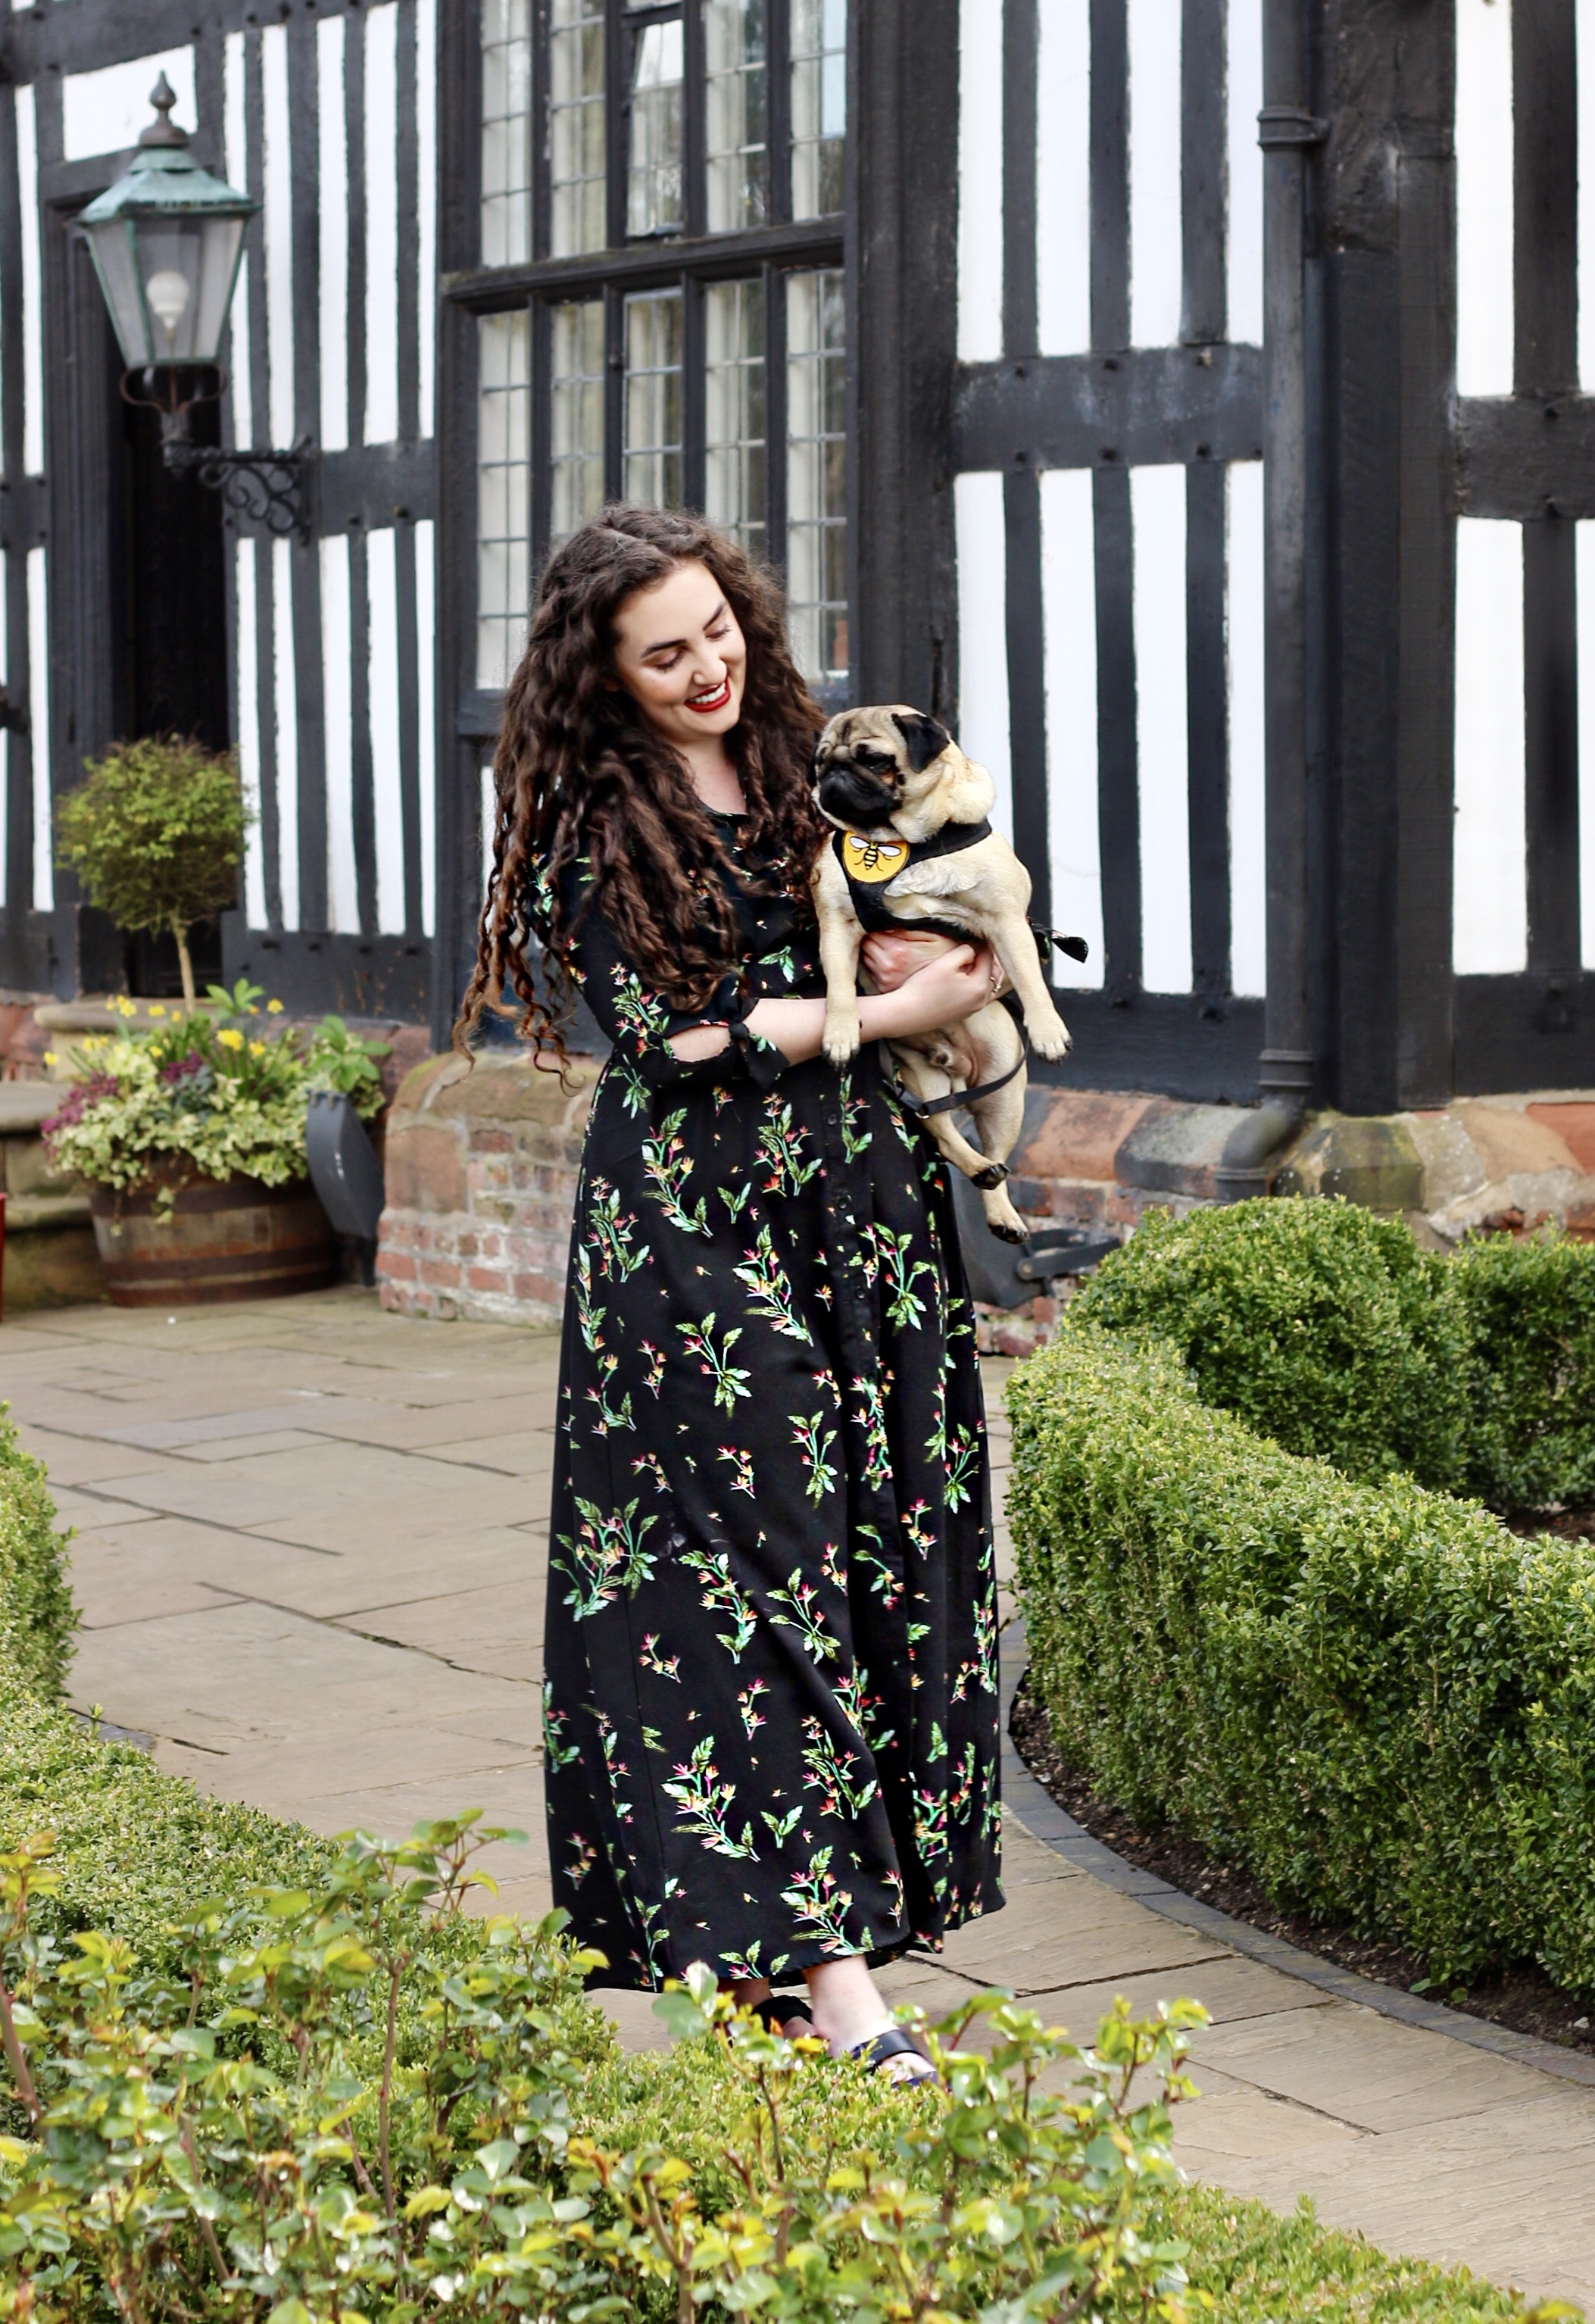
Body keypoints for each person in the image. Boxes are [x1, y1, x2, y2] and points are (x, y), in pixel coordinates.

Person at [457, 506, 1005, 2085]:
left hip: (865, 1218)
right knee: (750, 1580)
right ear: (603, 676)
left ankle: (767, 1962)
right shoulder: (587, 826)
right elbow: (666, 1041)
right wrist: (865, 1012)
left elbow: (933, 914)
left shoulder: (807, 767)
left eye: (717, 629)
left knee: (876, 1550)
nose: (707, 666)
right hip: (696, 1242)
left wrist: (949, 972)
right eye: (664, 652)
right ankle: (843, 2000)